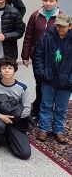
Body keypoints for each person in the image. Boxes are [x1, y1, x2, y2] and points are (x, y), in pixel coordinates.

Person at [32, 12, 71, 144]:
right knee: (46, 104)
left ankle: (58, 130)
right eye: (58, 26)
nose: (60, 29)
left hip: (66, 82)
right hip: (48, 79)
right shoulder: (47, 38)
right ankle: (44, 128)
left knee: (61, 107)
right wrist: (42, 73)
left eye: (64, 27)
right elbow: (38, 56)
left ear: (70, 26)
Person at [22, 0, 61, 118]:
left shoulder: (62, 17)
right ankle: (37, 109)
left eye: (51, 1)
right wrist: (25, 55)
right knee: (39, 84)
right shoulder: (35, 16)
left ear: (56, 2)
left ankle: (46, 110)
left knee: (49, 84)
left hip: (54, 58)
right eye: (45, 0)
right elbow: (28, 36)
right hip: (38, 56)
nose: (48, 3)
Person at [0, 57, 32, 160]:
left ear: (14, 70)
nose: (7, 70)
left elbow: (27, 110)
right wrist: (0, 116)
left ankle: (9, 135)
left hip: (16, 120)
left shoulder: (22, 88)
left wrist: (12, 118)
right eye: (4, 68)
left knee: (25, 153)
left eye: (10, 68)